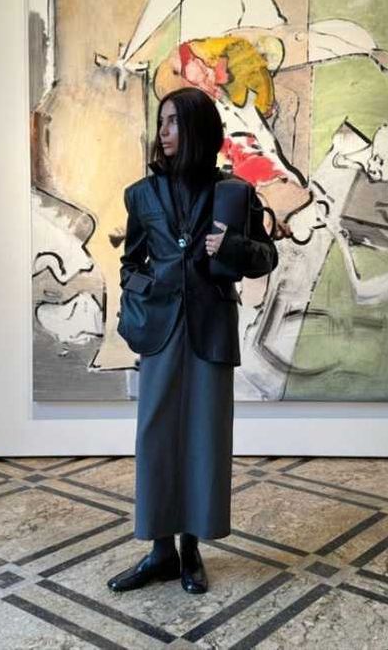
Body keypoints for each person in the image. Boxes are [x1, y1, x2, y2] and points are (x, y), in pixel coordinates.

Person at [107, 87, 279, 595]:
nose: (163, 132)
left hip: (210, 326)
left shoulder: (233, 193)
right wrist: (144, 292)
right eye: (161, 121)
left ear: (198, 128)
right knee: (155, 437)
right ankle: (159, 552)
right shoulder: (140, 195)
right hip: (161, 329)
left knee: (205, 438)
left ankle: (190, 550)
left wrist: (231, 246)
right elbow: (130, 262)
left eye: (174, 122)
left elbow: (266, 257)